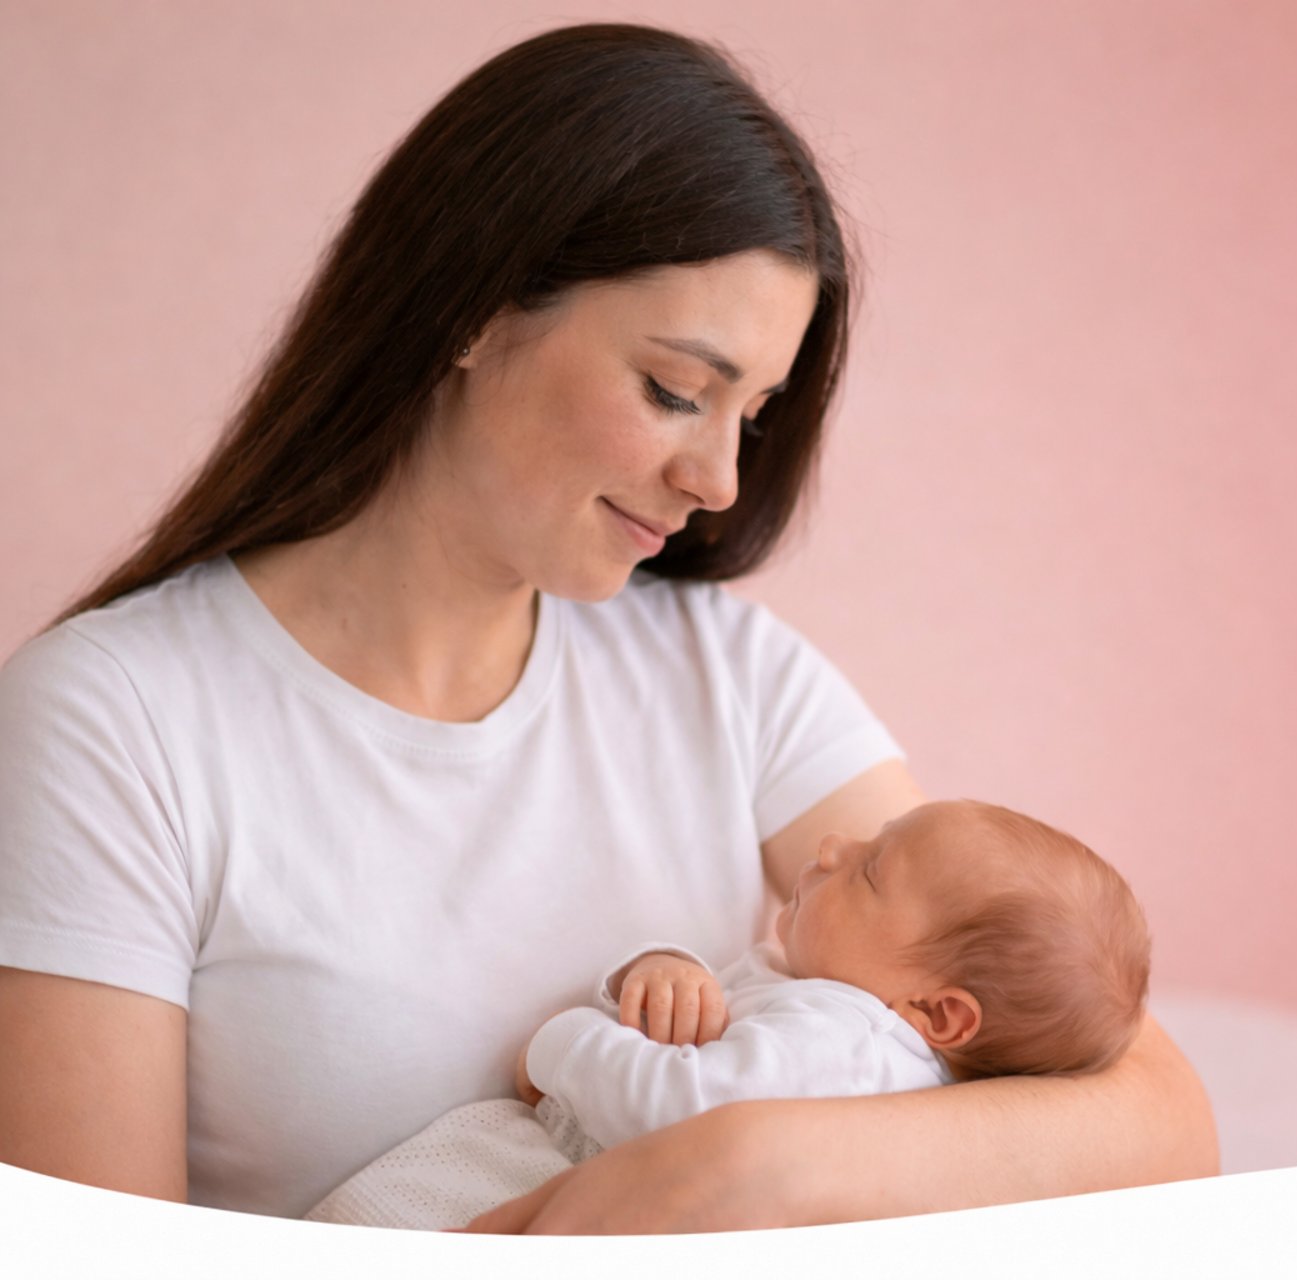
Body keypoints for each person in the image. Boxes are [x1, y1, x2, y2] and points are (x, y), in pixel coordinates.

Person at [0, 23, 1216, 1232]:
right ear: (470, 310)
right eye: (676, 391)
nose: (723, 481)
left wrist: (731, 1167)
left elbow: (1150, 1115)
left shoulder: (730, 677)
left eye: (755, 411)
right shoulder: (114, 721)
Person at [305, 800, 1152, 1230]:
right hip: (569, 1181)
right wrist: (662, 973)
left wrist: (566, 1043)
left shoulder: (851, 1042)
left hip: (547, 1179)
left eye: (867, 873)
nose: (830, 848)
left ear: (938, 1012)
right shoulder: (829, 1006)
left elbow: (682, 1112)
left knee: (384, 1221)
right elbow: (714, 1024)